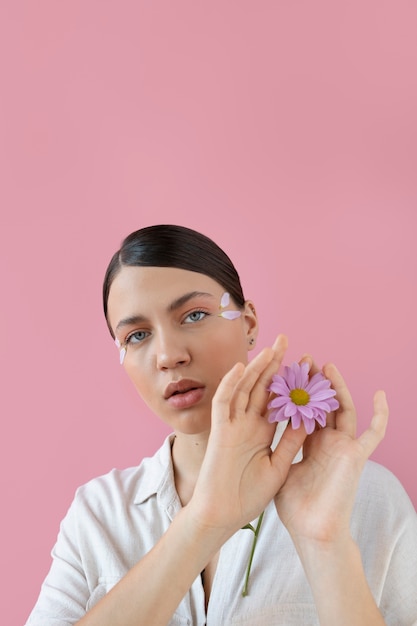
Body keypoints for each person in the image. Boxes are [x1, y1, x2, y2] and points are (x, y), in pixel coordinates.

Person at [26, 224, 417, 626]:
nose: (168, 355)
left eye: (194, 315)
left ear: (247, 324)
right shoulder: (98, 513)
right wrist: (202, 524)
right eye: (137, 335)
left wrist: (325, 544)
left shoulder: (364, 495)